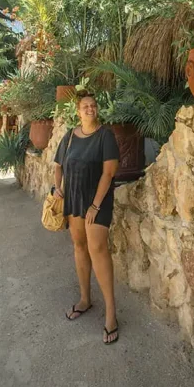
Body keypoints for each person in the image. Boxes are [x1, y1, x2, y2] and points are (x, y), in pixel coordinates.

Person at [54, 91, 120, 344]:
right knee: (79, 247)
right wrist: (56, 187)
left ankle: (111, 314)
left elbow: (108, 173)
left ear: (97, 109)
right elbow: (58, 165)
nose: (90, 109)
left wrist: (95, 205)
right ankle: (85, 299)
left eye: (93, 105)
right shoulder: (70, 136)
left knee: (98, 249)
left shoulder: (106, 136)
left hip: (97, 202)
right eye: (85, 106)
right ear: (78, 111)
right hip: (74, 200)